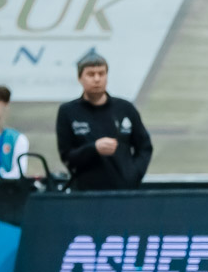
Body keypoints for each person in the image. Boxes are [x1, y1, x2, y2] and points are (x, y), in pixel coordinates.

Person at [54, 52, 153, 191]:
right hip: (85, 192)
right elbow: (67, 156)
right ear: (80, 78)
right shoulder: (68, 111)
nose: (97, 79)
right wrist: (93, 148)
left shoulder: (125, 108)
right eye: (91, 74)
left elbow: (144, 146)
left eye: (101, 73)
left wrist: (134, 174)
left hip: (123, 191)